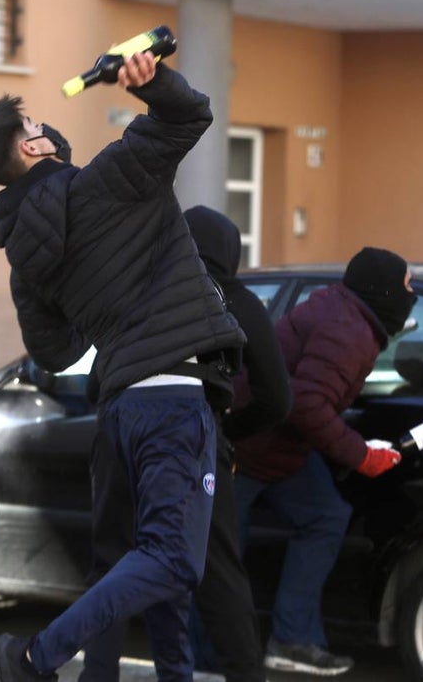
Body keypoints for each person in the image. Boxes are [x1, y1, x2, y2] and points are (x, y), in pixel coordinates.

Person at [0, 51, 246, 682]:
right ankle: (35, 656)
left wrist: (97, 305)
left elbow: (55, 352)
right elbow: (190, 116)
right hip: (175, 396)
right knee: (173, 560)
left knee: (153, 562)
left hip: (123, 409)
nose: (47, 128)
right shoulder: (110, 180)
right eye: (35, 125)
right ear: (33, 148)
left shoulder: (24, 259)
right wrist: (152, 81)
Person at [79, 205, 291, 682]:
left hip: (119, 437)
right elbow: (277, 398)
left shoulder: (136, 293)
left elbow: (95, 385)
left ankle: (97, 675)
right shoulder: (234, 300)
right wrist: (227, 434)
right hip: (192, 444)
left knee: (111, 564)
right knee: (217, 571)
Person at [232, 246, 417, 676]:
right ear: (383, 291)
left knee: (326, 516)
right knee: (218, 556)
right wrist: (362, 455)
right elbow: (307, 404)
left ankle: (292, 640)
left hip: (280, 448)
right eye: (407, 286)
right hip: (241, 447)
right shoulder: (347, 330)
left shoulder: (349, 315)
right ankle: (205, 662)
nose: (412, 295)